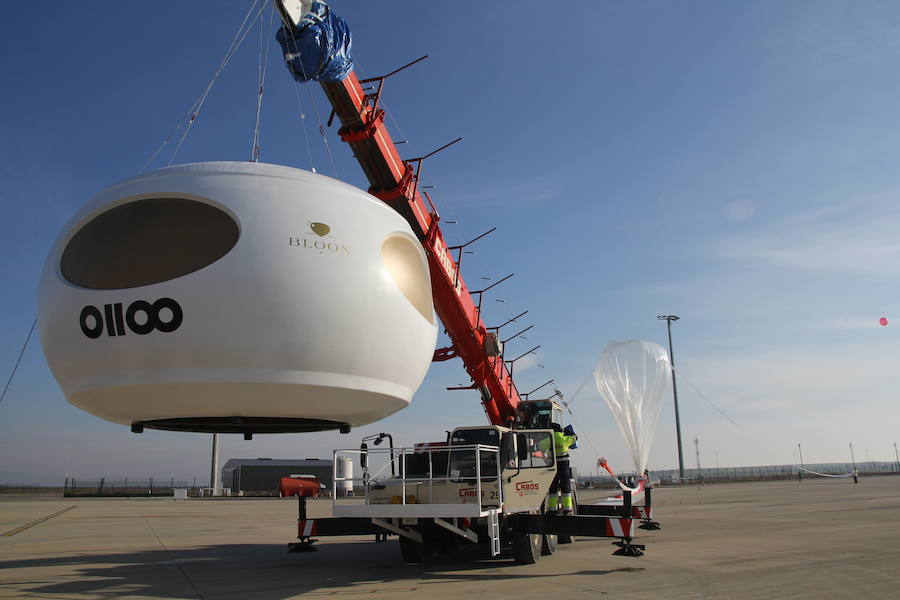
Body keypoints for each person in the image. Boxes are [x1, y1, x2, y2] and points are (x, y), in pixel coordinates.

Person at [547, 423, 578, 514]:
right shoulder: (564, 439)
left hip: (553, 467)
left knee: (553, 488)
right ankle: (567, 509)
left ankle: (552, 509)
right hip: (564, 467)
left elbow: (538, 447)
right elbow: (575, 438)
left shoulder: (548, 439)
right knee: (566, 487)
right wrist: (569, 432)